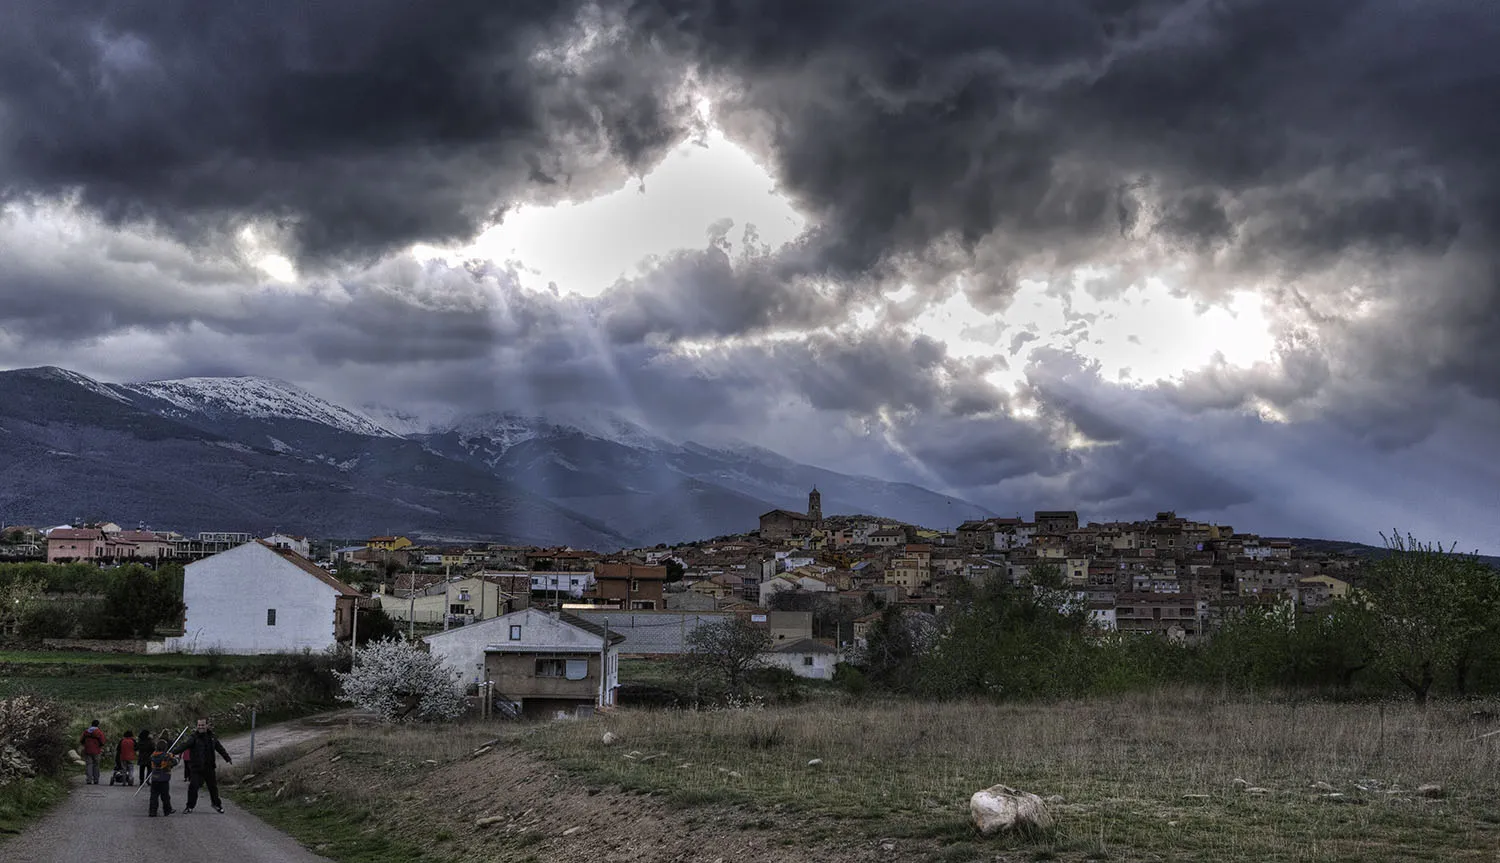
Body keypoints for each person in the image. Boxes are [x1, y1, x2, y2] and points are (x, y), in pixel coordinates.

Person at [171, 717, 231, 813]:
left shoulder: (212, 737)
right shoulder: (193, 737)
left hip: (209, 767)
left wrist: (227, 757)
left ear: (207, 725)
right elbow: (184, 745)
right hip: (196, 768)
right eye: (199, 725)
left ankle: (216, 804)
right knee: (193, 787)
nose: (200, 727)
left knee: (213, 787)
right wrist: (173, 752)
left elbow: (219, 748)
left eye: (202, 725)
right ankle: (189, 806)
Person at [146, 738, 177, 817]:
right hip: (164, 779)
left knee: (154, 796)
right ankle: (167, 810)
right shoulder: (167, 756)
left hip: (155, 778)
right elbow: (174, 762)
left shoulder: (153, 756)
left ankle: (152, 811)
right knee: (165, 796)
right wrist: (174, 757)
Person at [79, 720, 106, 785]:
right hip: (96, 751)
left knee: (89, 765)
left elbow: (81, 740)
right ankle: (96, 780)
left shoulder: (86, 732)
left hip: (88, 750)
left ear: (91, 724)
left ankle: (89, 780)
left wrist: (86, 745)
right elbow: (102, 742)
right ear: (98, 725)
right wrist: (99, 746)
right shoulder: (99, 732)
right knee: (96, 765)